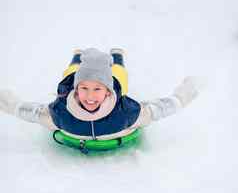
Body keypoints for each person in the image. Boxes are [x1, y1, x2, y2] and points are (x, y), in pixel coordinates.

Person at [0, 48, 200, 143]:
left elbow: (155, 109)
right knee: (69, 73)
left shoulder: (124, 112)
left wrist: (182, 96)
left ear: (108, 92)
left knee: (119, 75)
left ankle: (117, 58)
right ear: (75, 90)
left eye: (97, 90)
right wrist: (8, 102)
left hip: (112, 78)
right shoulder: (62, 114)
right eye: (84, 89)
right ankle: (78, 57)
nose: (89, 96)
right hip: (76, 78)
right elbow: (34, 113)